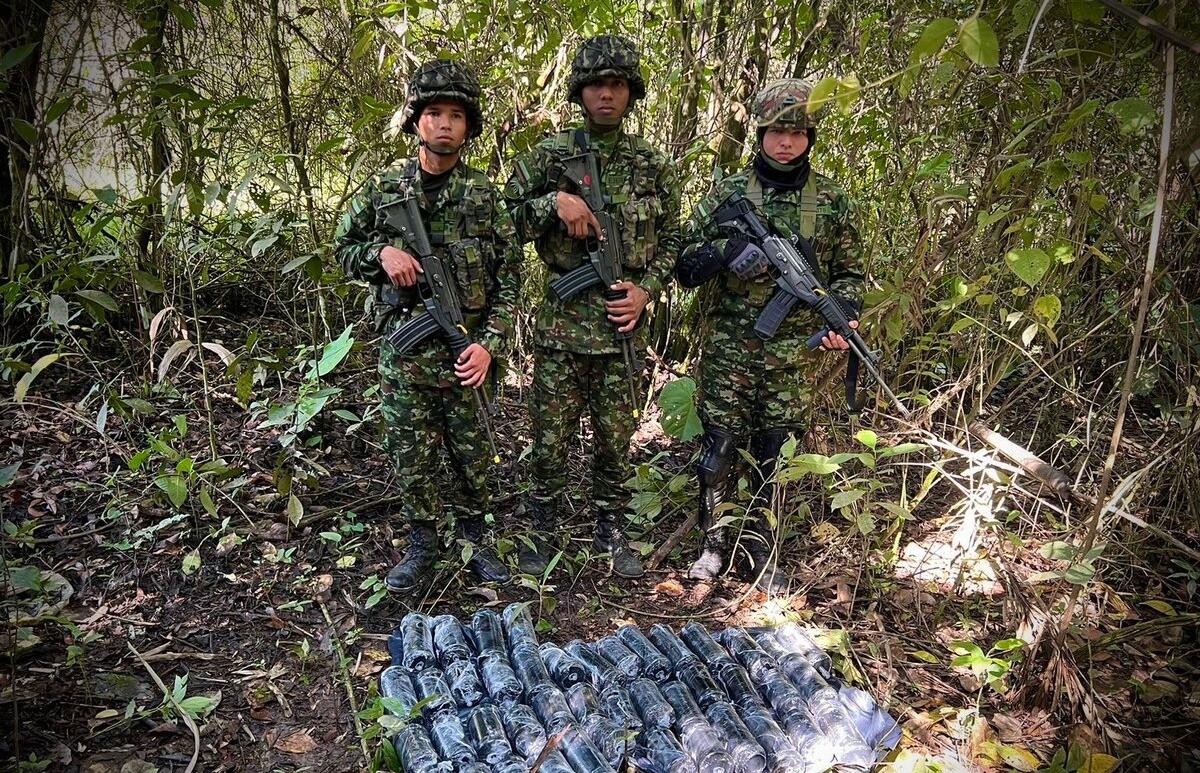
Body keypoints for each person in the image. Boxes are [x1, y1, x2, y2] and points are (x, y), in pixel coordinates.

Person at [334, 59, 521, 595]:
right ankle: (422, 544)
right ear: (416, 121)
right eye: (433, 112)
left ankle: (475, 541)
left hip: (468, 358)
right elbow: (341, 249)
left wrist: (489, 344)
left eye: (456, 115)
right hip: (406, 357)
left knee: (473, 454)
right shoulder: (383, 189)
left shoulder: (484, 197)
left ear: (469, 126)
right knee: (411, 454)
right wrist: (381, 252)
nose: (444, 124)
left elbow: (511, 279)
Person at [675, 78, 864, 593]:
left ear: (810, 137)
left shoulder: (832, 199)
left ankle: (759, 545)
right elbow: (682, 264)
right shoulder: (728, 193)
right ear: (760, 133)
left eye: (797, 132)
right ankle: (714, 545)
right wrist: (724, 253)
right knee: (719, 448)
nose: (786, 142)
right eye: (777, 131)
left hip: (791, 356)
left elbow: (849, 274)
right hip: (729, 348)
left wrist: (842, 318)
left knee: (775, 450)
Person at [504, 35, 682, 579]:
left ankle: (611, 523)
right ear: (580, 92)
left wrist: (647, 288)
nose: (607, 94)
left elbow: (674, 238)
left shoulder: (652, 163)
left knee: (615, 435)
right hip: (563, 324)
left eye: (618, 85)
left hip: (623, 325)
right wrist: (551, 202)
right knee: (549, 436)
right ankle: (542, 524)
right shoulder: (549, 156)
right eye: (597, 85)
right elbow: (500, 220)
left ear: (631, 93)